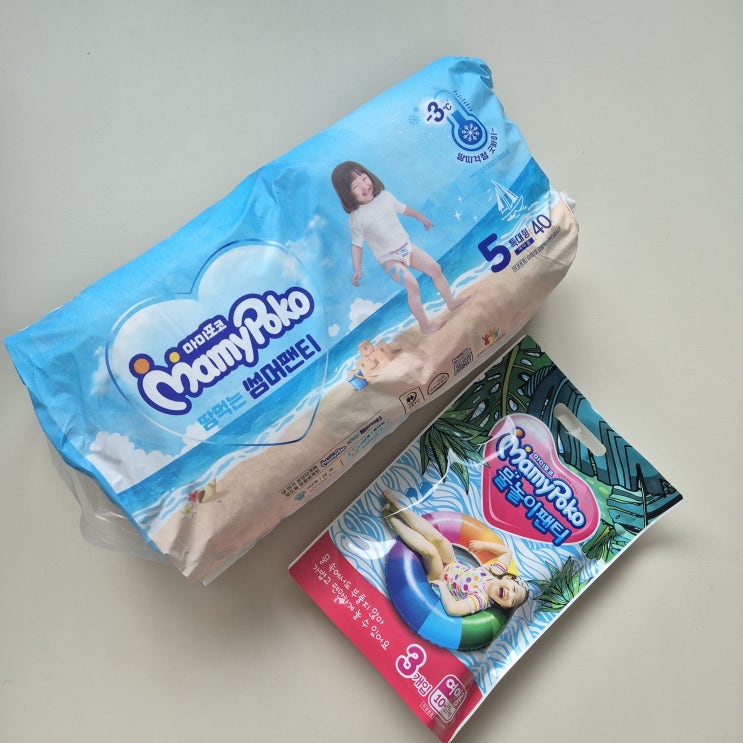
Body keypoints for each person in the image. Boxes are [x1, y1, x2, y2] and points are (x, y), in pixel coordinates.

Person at [331, 161, 468, 335]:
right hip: (388, 260)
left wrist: (419, 217)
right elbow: (356, 245)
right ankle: (425, 326)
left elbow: (403, 209)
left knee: (435, 268)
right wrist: (357, 269)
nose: (364, 186)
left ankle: (451, 302)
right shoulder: (356, 218)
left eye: (364, 179)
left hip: (406, 247)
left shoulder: (385, 197)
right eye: (356, 186)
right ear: (347, 194)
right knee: (412, 285)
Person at [382, 490, 529, 616]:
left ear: (504, 606)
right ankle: (398, 507)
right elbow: (507, 552)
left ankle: (393, 522)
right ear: (507, 578)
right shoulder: (495, 572)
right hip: (452, 562)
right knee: (439, 539)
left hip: (439, 576)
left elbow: (453, 609)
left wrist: (442, 586)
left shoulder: (481, 600)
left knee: (431, 552)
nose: (510, 594)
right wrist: (484, 545)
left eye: (512, 601)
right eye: (513, 589)